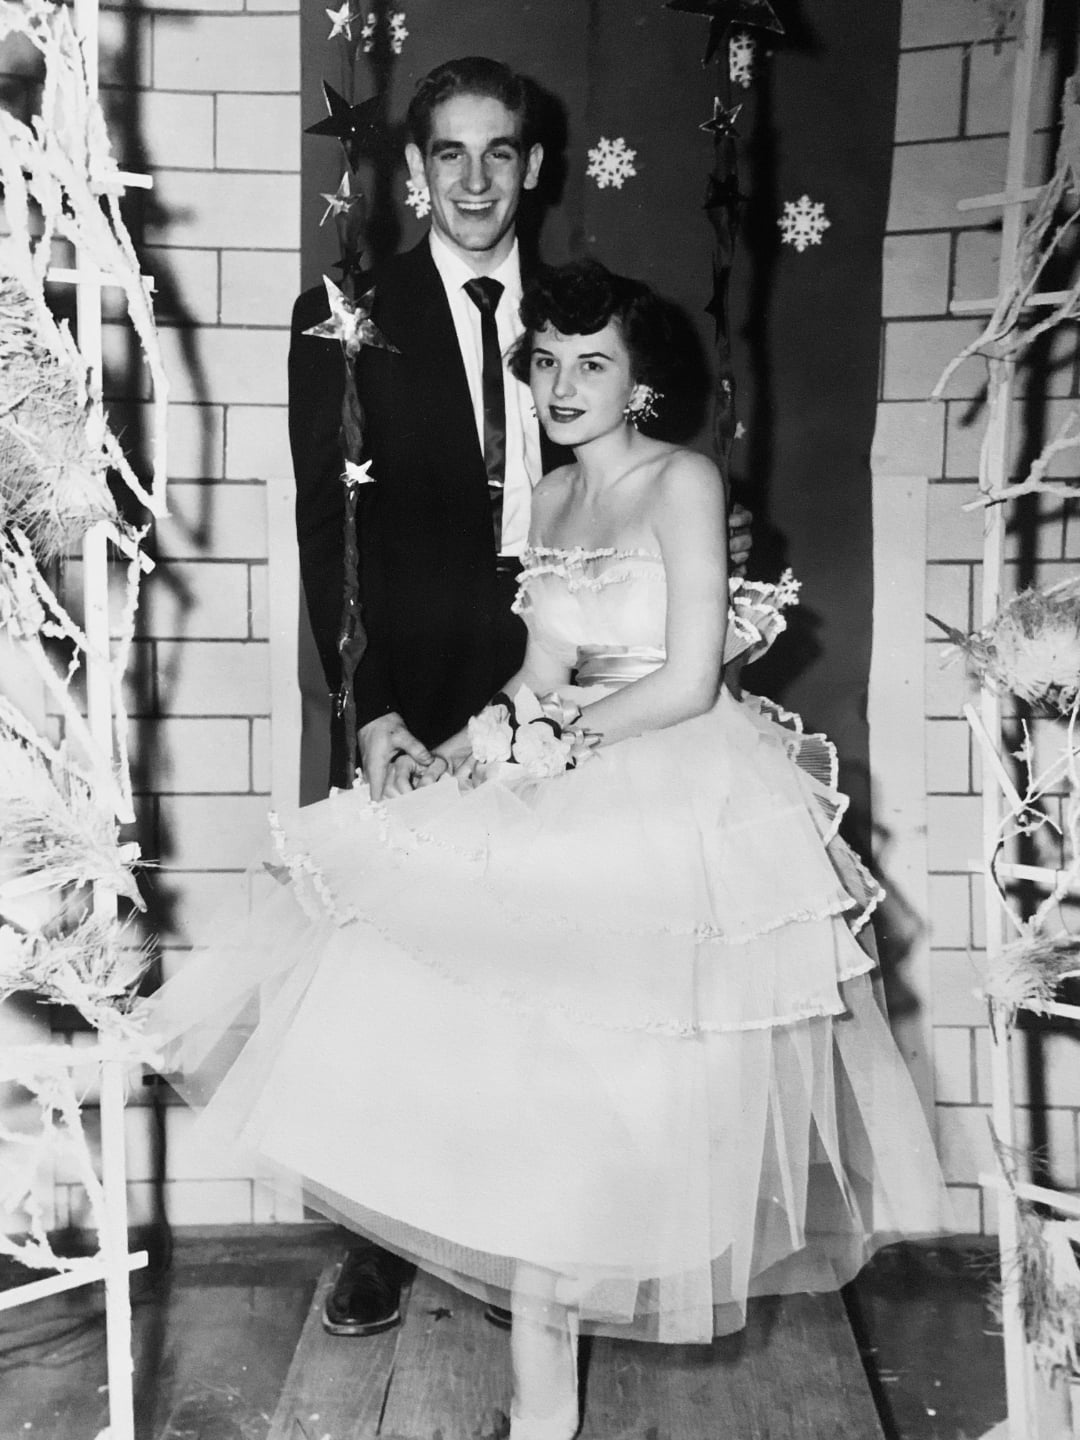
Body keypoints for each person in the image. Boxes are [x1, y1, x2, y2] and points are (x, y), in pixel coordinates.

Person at [147, 258, 949, 1440]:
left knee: (620, 1107)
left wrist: (551, 746)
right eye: (547, 362)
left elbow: (687, 680)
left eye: (593, 364)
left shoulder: (681, 479)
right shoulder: (554, 496)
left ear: (639, 385)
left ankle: (555, 1371)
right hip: (562, 767)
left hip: (671, 794)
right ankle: (540, 1405)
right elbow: (536, 674)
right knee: (515, 1087)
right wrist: (454, 756)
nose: (563, 385)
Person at [288, 55, 752, 1337]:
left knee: (550, 992)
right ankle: (381, 1234)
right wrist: (372, 708)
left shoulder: (579, 315)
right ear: (415, 169)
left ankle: (530, 1244)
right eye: (450, 153)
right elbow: (328, 529)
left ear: (535, 166)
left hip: (567, 663)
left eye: (501, 152)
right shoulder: (345, 310)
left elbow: (640, 484)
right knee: (395, 962)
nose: (477, 179)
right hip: (426, 671)